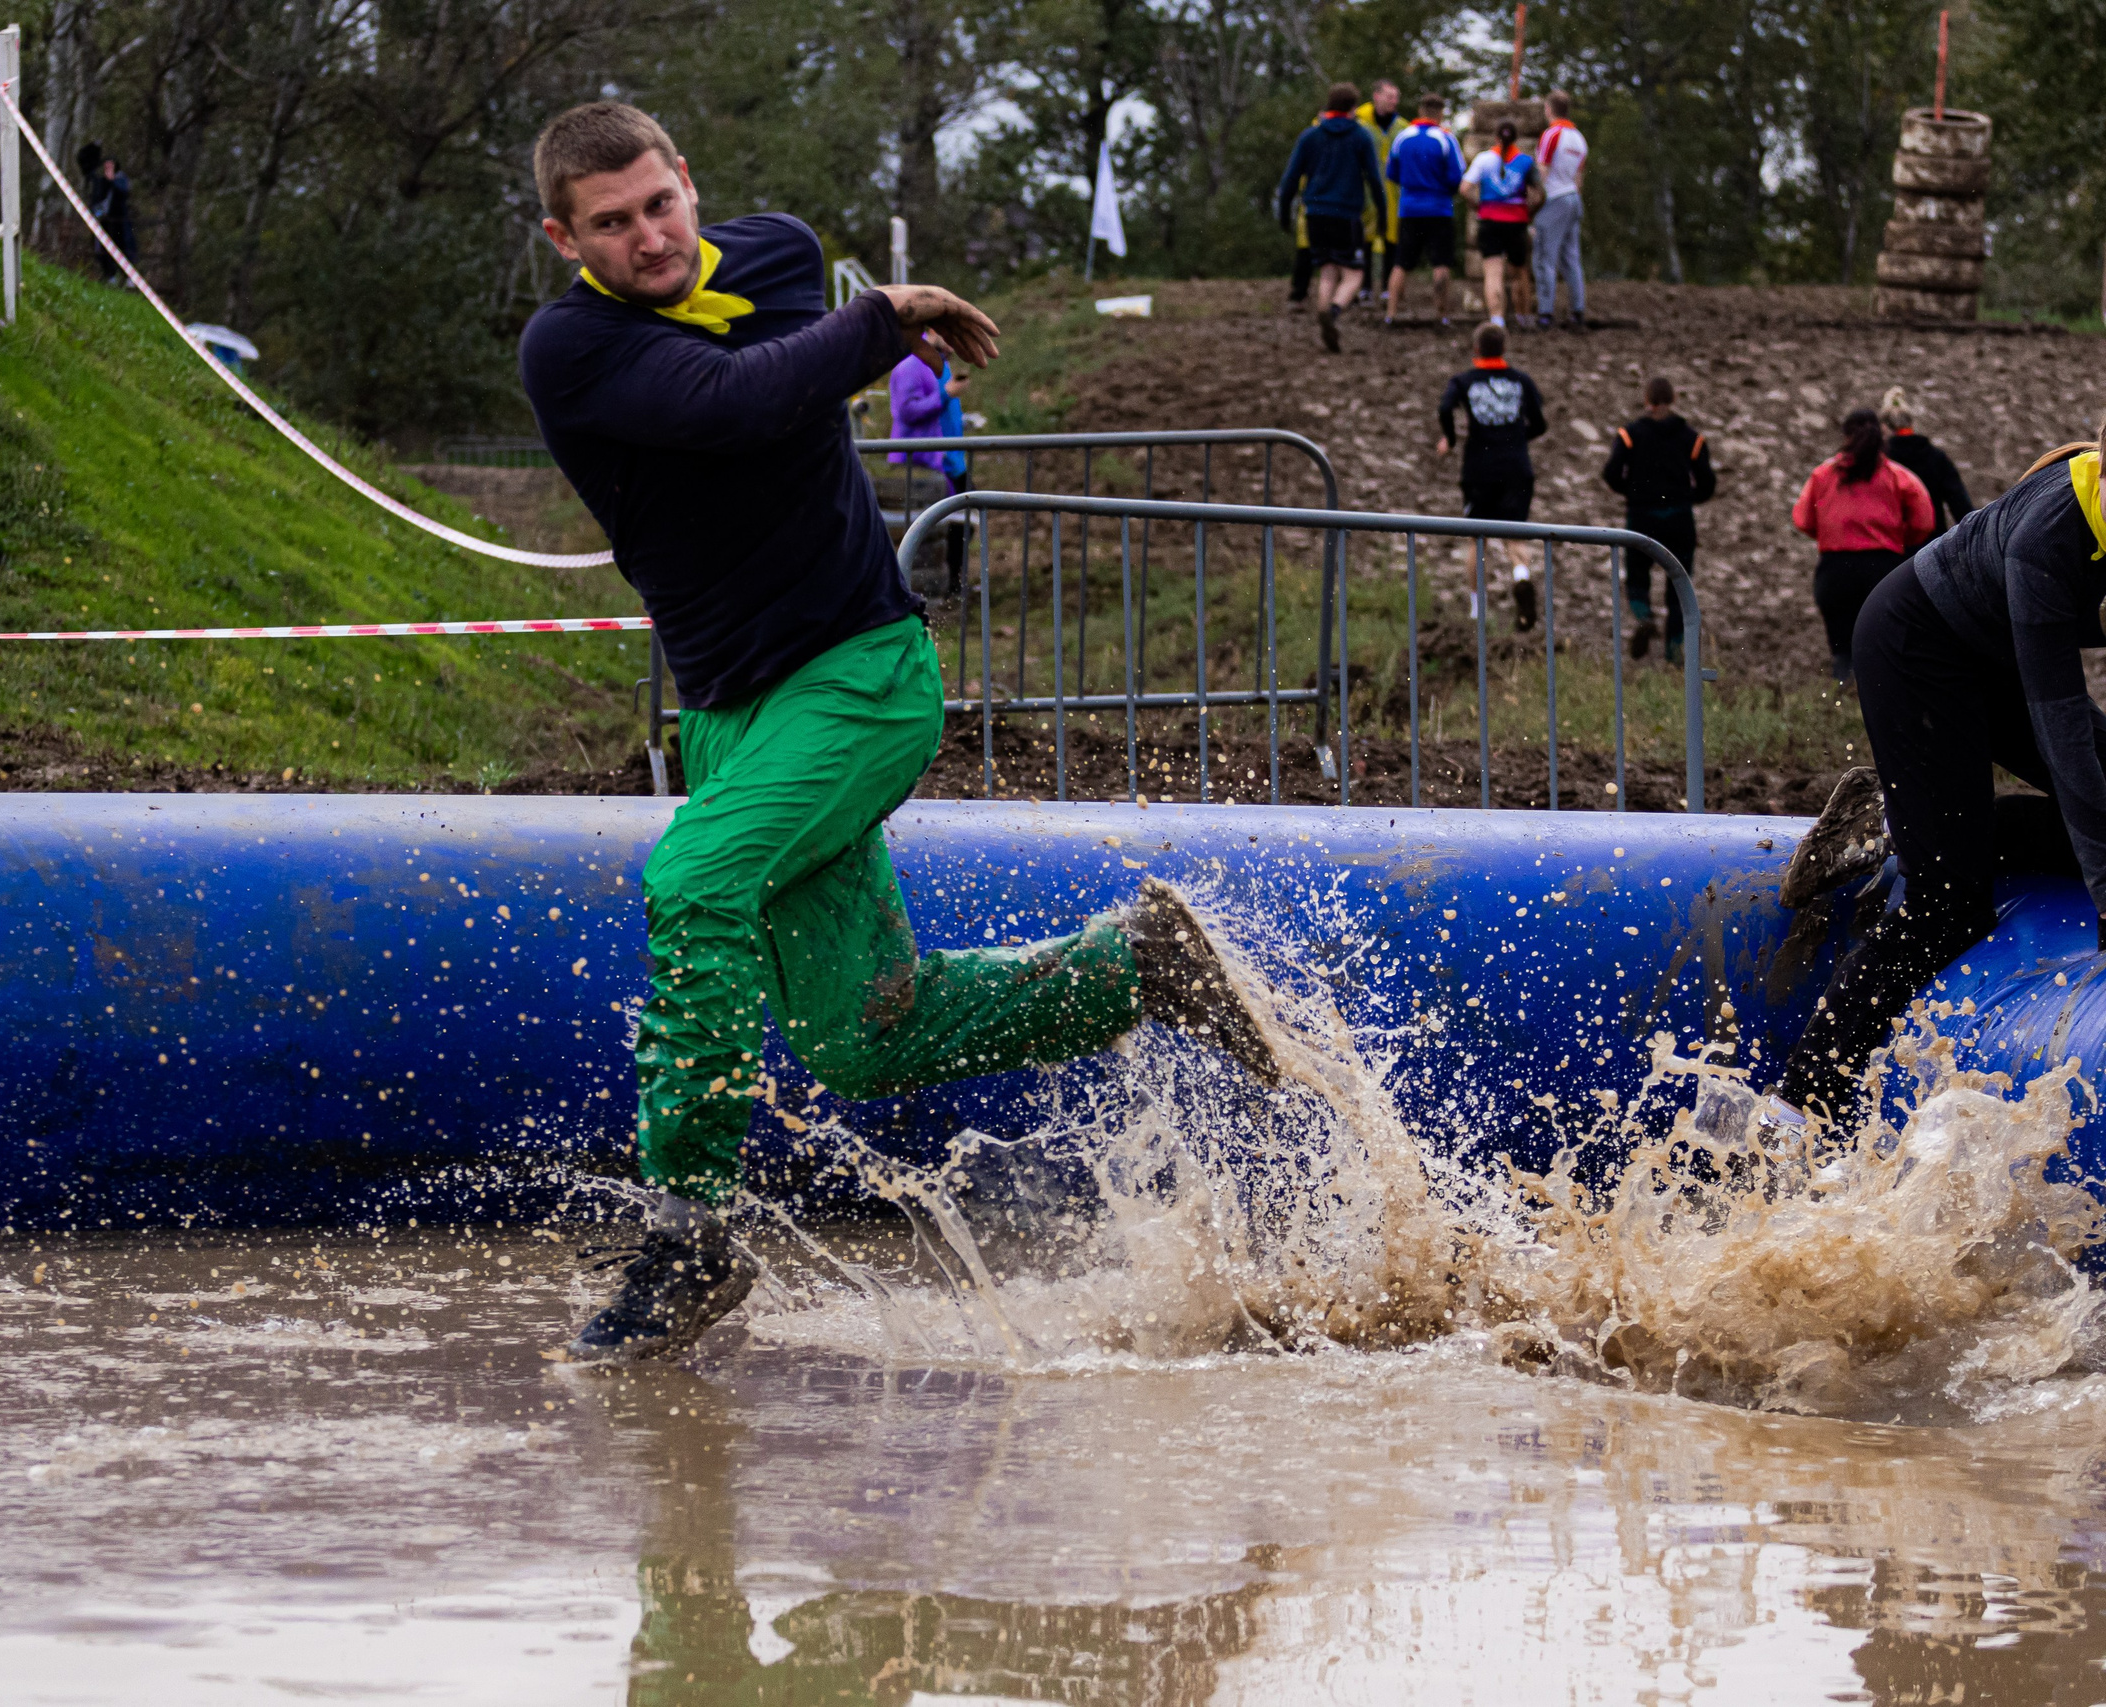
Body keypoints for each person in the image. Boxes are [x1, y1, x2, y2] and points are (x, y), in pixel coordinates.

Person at [517, 102, 1281, 1364]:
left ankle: (686, 1243)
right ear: (564, 237)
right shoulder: (572, 349)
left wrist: (865, 319)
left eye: (659, 204)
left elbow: (777, 359)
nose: (648, 239)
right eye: (610, 223)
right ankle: (1128, 968)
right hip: (730, 721)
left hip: (860, 676)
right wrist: (879, 318)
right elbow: (733, 402)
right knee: (864, 1040)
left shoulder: (769, 254)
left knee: (694, 884)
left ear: (688, 182)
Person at [1778, 415, 2106, 1123]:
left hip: (1989, 654)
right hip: (1913, 646)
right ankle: (1797, 1107)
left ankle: (1909, 820)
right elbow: (2065, 737)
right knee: (1947, 905)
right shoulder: (2048, 541)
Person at [1791, 407, 1934, 681]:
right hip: (1883, 568)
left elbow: (1803, 519)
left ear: (1845, 436)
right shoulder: (1898, 477)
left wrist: (1831, 534)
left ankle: (1842, 697)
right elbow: (1923, 521)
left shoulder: (1823, 476)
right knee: (1883, 646)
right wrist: (1900, 540)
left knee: (1842, 650)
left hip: (1834, 571)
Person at [1436, 322, 1547, 630]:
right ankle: (1521, 577)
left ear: (1475, 350)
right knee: (1515, 533)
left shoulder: (1464, 381)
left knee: (1477, 539)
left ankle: (1477, 608)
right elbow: (1540, 423)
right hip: (1517, 467)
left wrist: (1451, 439)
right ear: (1504, 349)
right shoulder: (1521, 380)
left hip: (1479, 468)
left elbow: (1444, 408)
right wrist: (1516, 437)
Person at [1602, 376, 1716, 665]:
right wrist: (1688, 497)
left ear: (1646, 400)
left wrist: (1633, 492)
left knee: (1638, 576)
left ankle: (1644, 616)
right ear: (1673, 399)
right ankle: (1674, 651)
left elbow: (1611, 473)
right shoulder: (1692, 438)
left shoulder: (1630, 435)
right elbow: (1707, 483)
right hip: (1679, 519)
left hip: (1641, 516)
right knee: (1678, 583)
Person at [1275, 84, 1390, 352]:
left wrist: (1283, 212)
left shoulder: (1310, 137)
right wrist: (1384, 215)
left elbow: (1290, 179)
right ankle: (1334, 312)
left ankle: (1323, 311)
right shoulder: (1361, 137)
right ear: (1353, 108)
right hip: (1347, 214)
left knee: (1327, 269)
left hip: (1314, 213)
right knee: (1354, 274)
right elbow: (1374, 179)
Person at [887, 333, 971, 589]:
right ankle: (934, 587)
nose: (955, 342)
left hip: (947, 458)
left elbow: (941, 412)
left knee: (962, 521)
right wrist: (945, 394)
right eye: (949, 334)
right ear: (933, 331)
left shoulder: (939, 364)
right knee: (934, 526)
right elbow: (907, 411)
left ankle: (952, 583)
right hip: (921, 462)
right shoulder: (910, 365)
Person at [1383, 95, 1465, 325]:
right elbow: (1456, 176)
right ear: (1440, 112)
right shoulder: (1446, 138)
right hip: (1439, 209)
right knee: (1441, 263)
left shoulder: (1402, 137)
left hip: (1409, 209)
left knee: (1401, 262)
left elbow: (1391, 173)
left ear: (1420, 110)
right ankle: (1442, 314)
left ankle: (1391, 314)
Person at [1460, 120, 1536, 328]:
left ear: (1495, 138)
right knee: (1520, 272)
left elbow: (1464, 189)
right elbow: (1540, 194)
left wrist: (1478, 207)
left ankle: (1497, 319)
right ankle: (1524, 317)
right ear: (1515, 139)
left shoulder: (1483, 159)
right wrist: (1529, 213)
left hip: (1489, 221)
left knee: (1493, 274)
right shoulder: (1525, 162)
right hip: (1517, 222)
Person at [1880, 386, 1976, 538]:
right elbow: (1960, 506)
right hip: (1931, 547)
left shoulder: (1879, 461)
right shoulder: (1936, 457)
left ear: (1884, 427)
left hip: (1890, 547)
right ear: (1910, 423)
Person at [1530, 91, 1587, 330]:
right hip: (1573, 198)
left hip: (1555, 198)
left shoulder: (1551, 135)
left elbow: (1542, 170)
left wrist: (1532, 202)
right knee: (1571, 259)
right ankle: (1577, 311)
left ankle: (1545, 313)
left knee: (1544, 257)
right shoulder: (1579, 138)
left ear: (1548, 109)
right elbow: (1580, 176)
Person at [1353, 80, 1404, 300]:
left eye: (1396, 97)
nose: (1394, 101)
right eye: (1389, 96)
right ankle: (1363, 286)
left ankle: (1386, 287)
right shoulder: (1359, 123)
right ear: (1376, 96)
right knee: (1364, 239)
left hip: (1394, 192)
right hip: (1364, 191)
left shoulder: (1403, 128)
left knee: (1392, 238)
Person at [75, 142, 136, 284]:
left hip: (120, 221)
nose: (107, 169)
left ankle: (128, 277)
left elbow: (123, 192)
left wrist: (112, 181)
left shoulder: (121, 179)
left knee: (123, 248)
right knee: (103, 248)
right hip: (105, 220)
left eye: (110, 166)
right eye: (105, 166)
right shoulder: (100, 180)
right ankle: (110, 275)